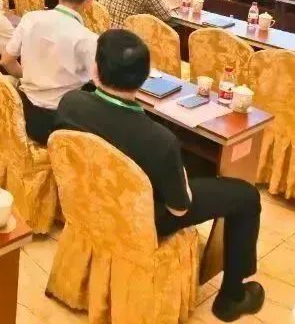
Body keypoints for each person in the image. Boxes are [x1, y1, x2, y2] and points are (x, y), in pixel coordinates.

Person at [53, 30, 265, 322]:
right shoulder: (160, 141)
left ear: (96, 70)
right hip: (144, 218)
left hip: (91, 202)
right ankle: (232, 297)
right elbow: (179, 208)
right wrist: (182, 178)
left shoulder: (70, 102)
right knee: (246, 196)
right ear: (144, 78)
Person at [1, 0, 97, 145]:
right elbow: (101, 86)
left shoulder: (30, 19)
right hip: (59, 124)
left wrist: (32, 77)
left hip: (23, 110)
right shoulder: (89, 39)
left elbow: (6, 61)